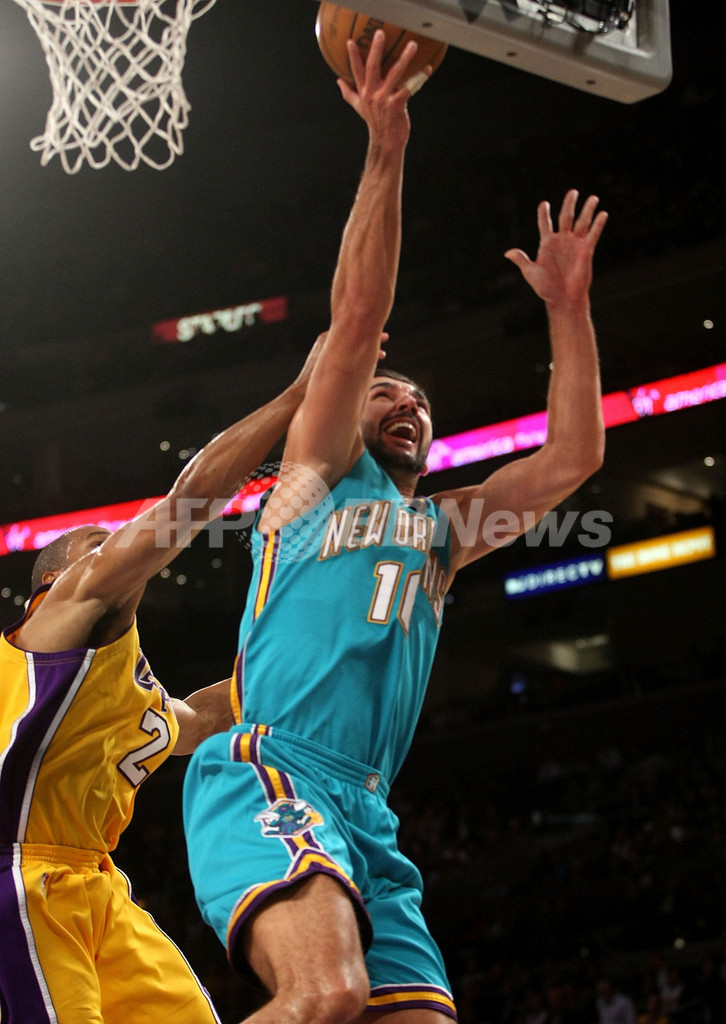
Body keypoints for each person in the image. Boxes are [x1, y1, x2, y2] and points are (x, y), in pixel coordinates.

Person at [183, 27, 607, 1024]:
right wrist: (387, 143)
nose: (407, 401)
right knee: (326, 993)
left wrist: (569, 309)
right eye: (387, 390)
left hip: (369, 810)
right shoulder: (314, 478)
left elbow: (573, 459)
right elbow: (359, 314)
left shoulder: (443, 531)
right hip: (275, 764)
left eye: (420, 399)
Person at [0, 335, 324, 1024]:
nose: (118, 550)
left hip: (95, 882)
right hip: (20, 876)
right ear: (55, 579)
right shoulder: (54, 619)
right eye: (100, 544)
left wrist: (310, 650)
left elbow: (202, 720)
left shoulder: (120, 685)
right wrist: (296, 399)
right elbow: (189, 501)